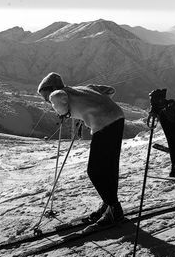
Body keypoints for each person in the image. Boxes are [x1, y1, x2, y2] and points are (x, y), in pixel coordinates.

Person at [37, 72, 125, 225]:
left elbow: (58, 98)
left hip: (105, 123)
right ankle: (109, 204)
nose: (47, 101)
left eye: (45, 96)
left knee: (95, 171)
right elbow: (108, 90)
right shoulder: (81, 89)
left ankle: (114, 208)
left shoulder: (58, 94)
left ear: (50, 89)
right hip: (117, 118)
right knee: (109, 166)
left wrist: (63, 112)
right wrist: (90, 107)